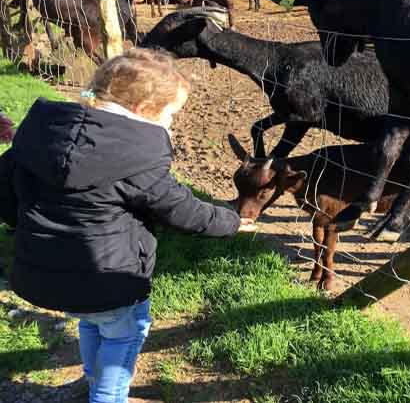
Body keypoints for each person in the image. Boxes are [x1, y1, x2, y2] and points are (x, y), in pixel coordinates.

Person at [0, 48, 255, 403]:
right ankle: (106, 396)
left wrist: (24, 225)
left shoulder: (38, 138)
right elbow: (183, 210)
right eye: (169, 115)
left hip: (43, 276)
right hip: (112, 281)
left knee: (91, 321)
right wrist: (230, 221)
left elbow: (5, 193)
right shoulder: (138, 159)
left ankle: (93, 383)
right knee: (123, 335)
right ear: (142, 110)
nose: (169, 124)